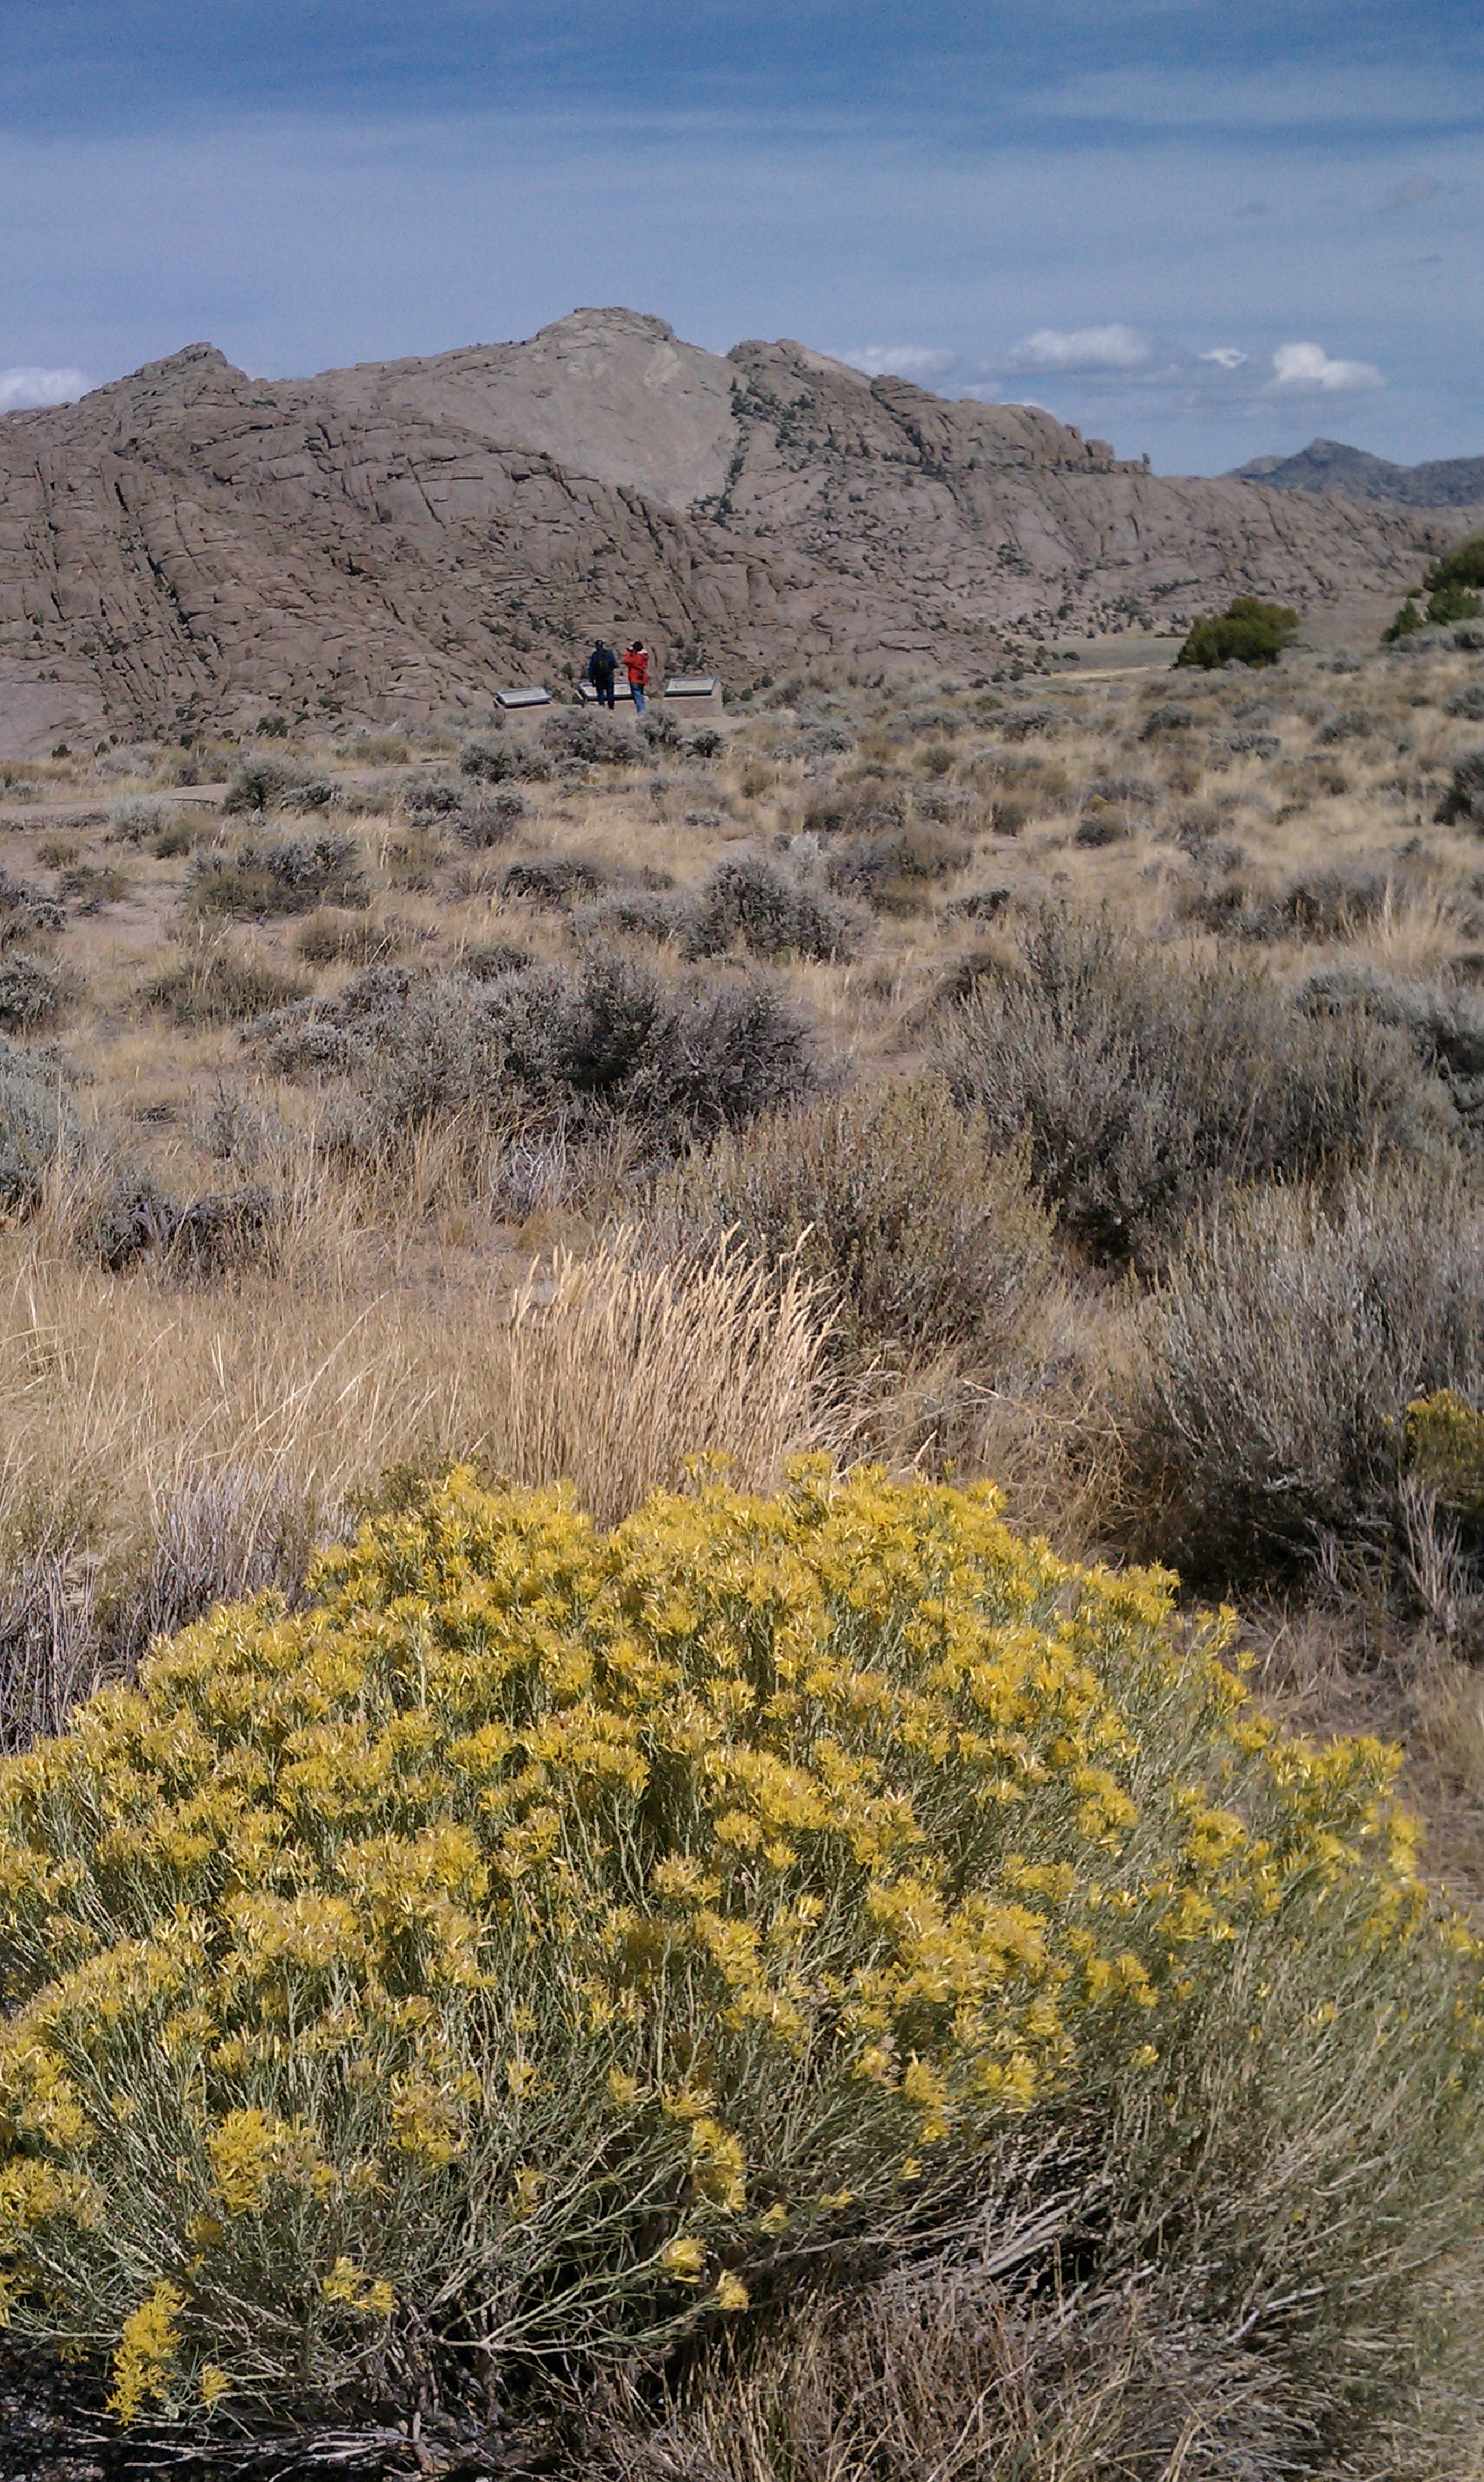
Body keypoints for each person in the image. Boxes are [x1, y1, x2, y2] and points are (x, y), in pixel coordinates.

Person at [586, 640, 617, 710]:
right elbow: (614, 664)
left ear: (596, 646)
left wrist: (591, 678)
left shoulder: (595, 655)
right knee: (610, 692)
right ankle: (611, 707)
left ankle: (601, 707)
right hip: (609, 676)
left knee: (600, 693)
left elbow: (592, 668)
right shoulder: (609, 654)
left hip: (599, 677)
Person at [623, 640, 651, 715]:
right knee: (640, 696)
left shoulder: (636, 657)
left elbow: (626, 660)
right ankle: (643, 712)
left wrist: (629, 652)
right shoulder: (644, 656)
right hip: (642, 678)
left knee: (638, 698)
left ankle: (642, 715)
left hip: (635, 678)